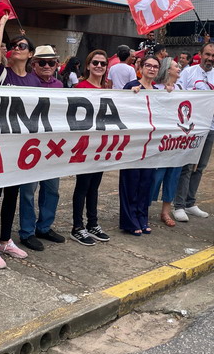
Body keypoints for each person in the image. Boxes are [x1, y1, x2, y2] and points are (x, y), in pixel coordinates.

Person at [0, 13, 36, 268]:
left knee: (12, 194)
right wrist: (3, 21)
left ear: (30, 54)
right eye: (13, 45)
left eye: (22, 46)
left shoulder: (34, 80)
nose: (16, 48)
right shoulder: (2, 72)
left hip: (19, 146)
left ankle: (4, 240)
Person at [173, 42, 214, 222]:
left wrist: (206, 118)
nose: (210, 58)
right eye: (207, 54)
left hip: (209, 128)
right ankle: (179, 205)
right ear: (200, 54)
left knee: (201, 166)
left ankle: (190, 202)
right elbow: (180, 95)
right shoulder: (188, 72)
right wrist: (195, 118)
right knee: (187, 166)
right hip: (190, 128)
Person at [18, 45, 65, 251]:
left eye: (51, 62)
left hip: (53, 145)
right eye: (42, 62)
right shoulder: (27, 82)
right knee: (28, 191)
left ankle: (44, 227)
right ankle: (27, 232)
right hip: (30, 145)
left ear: (56, 64)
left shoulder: (60, 85)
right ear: (33, 64)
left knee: (52, 189)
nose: (47, 66)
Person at [70, 50, 112, 245]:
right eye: (95, 62)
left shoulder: (108, 90)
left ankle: (92, 223)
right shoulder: (80, 87)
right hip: (84, 146)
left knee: (94, 186)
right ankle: (77, 227)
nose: (99, 66)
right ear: (87, 65)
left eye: (103, 63)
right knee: (83, 185)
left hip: (101, 145)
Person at [120, 55, 161, 235]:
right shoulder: (131, 86)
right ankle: (130, 220)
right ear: (141, 68)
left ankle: (142, 217)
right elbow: (122, 108)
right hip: (132, 143)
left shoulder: (157, 91)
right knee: (131, 181)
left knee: (146, 182)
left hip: (150, 143)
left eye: (155, 66)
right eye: (148, 65)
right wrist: (131, 95)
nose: (151, 69)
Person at [150, 57, 183, 227]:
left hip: (177, 139)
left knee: (173, 175)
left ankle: (166, 211)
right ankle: (145, 207)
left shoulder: (181, 89)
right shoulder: (155, 89)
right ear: (168, 69)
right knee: (156, 175)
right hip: (160, 139)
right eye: (176, 66)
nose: (179, 68)